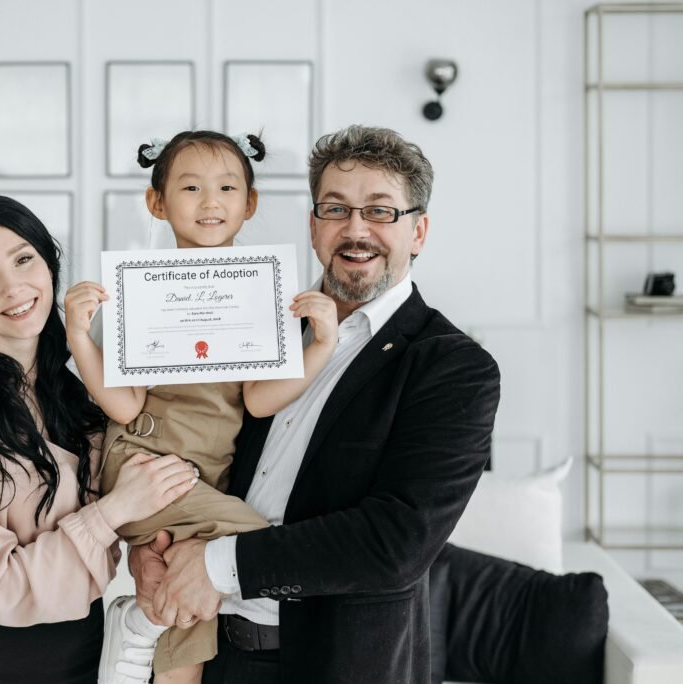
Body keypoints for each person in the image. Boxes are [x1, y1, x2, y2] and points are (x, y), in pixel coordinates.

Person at [129, 124, 502, 684]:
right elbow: (201, 444)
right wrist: (149, 544)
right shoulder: (258, 327)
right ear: (313, 225)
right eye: (335, 209)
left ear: (419, 231)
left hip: (340, 665)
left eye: (381, 212)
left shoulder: (454, 368)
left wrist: (213, 564)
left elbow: (396, 542)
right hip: (218, 655)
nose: (356, 230)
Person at [64, 130, 339, 684]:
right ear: (157, 203)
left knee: (194, 620)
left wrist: (320, 345)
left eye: (226, 187)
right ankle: (139, 625)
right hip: (146, 465)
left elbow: (260, 400)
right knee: (260, 547)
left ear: (249, 203)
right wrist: (78, 334)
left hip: (205, 479)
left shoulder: (265, 295)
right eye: (190, 187)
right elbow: (122, 405)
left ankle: (142, 627)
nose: (210, 202)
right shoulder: (139, 292)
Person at [0, 194, 199, 684]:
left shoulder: (83, 392)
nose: (13, 288)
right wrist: (114, 510)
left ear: (49, 265)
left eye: (24, 259)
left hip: (86, 650)